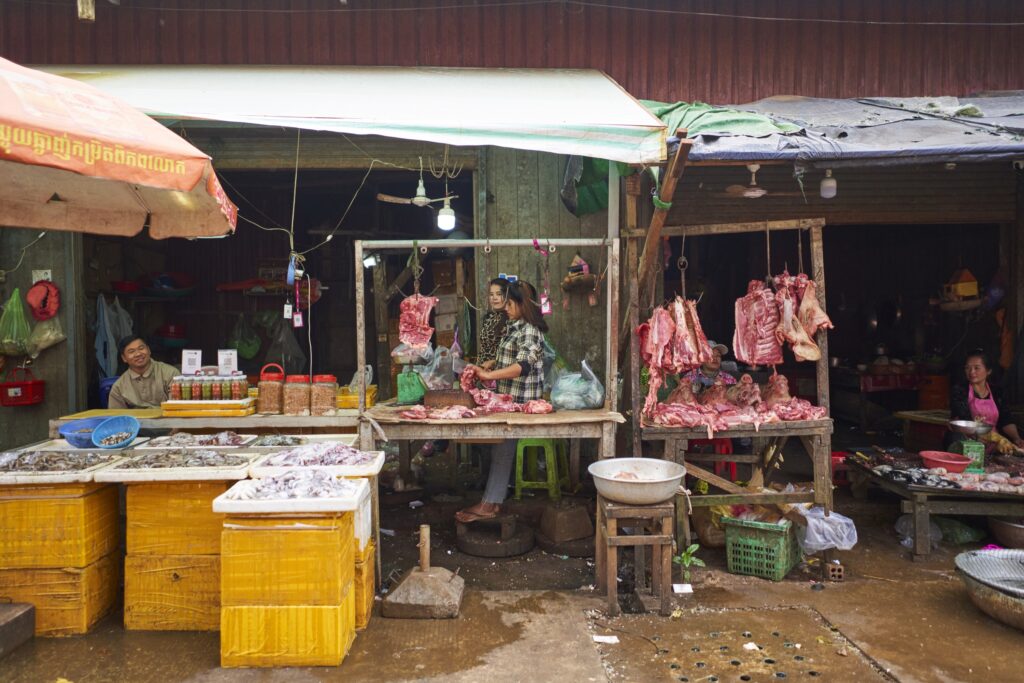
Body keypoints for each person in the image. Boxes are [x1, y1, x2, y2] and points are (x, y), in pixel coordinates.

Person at [456, 281, 548, 522]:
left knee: (504, 445)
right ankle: (492, 500)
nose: (505, 307)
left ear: (521, 304)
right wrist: (491, 365)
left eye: (509, 303)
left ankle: (490, 504)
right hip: (508, 400)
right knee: (500, 446)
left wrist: (488, 376)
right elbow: (511, 357)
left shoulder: (529, 329)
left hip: (522, 402)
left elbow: (524, 365)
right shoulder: (514, 326)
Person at [949, 349, 1023, 449]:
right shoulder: (960, 391)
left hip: (996, 443)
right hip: (969, 441)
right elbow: (964, 419)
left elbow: (1005, 419)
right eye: (968, 368)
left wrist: (1016, 438)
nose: (972, 372)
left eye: (977, 368)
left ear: (988, 371)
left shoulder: (997, 392)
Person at [107, 335, 179, 409]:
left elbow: (178, 408)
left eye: (141, 348)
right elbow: (117, 417)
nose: (138, 354)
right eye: (131, 351)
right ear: (124, 358)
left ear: (149, 350)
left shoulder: (171, 374)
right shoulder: (119, 387)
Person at [478, 277, 510, 370]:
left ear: (507, 295)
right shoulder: (489, 318)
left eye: (499, 294)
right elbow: (482, 349)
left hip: (500, 372)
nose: (494, 298)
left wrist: (493, 362)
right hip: (483, 370)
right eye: (491, 294)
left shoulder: (511, 319)